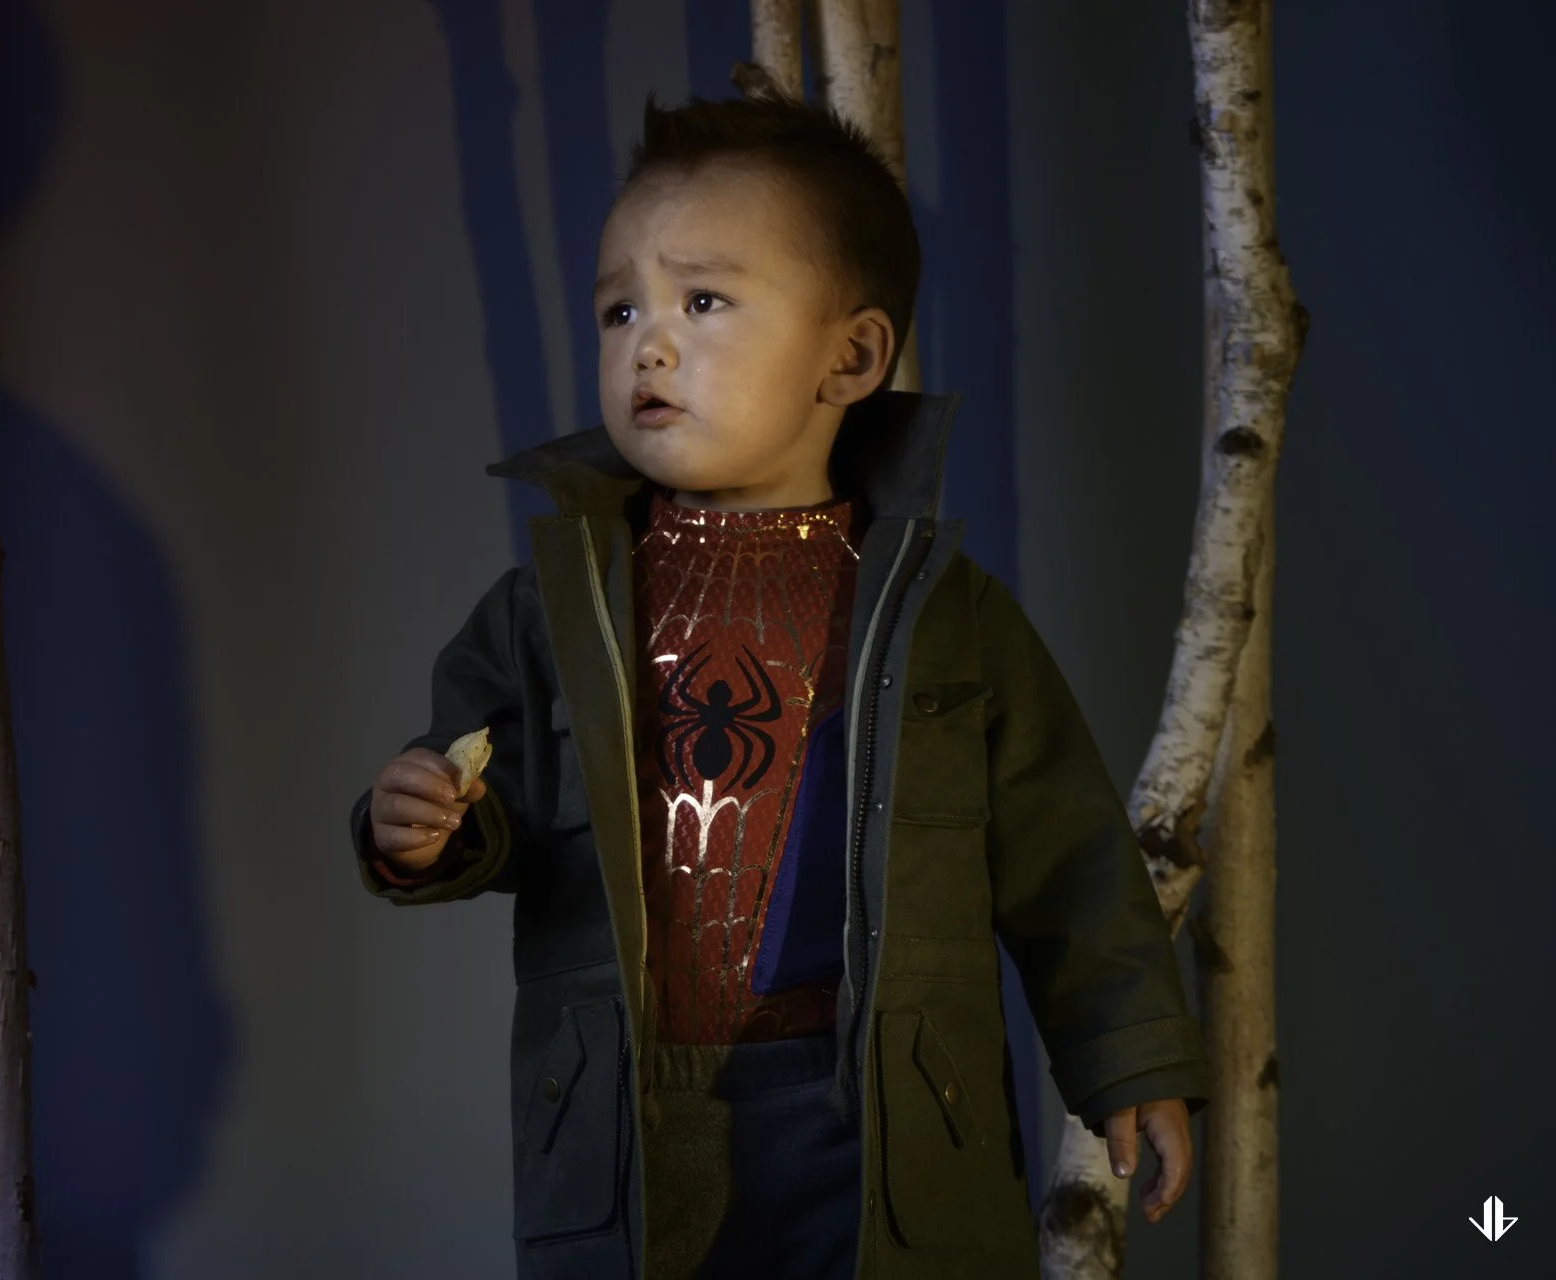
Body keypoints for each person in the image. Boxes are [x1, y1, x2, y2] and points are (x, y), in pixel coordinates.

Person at [350, 92, 1208, 1279]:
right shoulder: (549, 609)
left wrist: (1132, 1056)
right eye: (619, 309)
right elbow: (469, 790)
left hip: (881, 1106)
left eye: (702, 301)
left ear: (850, 357)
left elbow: (1071, 857)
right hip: (629, 1109)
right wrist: (416, 827)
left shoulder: (947, 615)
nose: (648, 344)